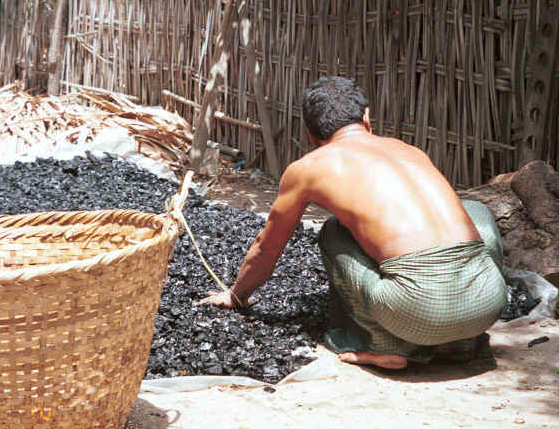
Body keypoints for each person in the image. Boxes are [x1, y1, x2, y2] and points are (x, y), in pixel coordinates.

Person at [203, 76, 507, 369]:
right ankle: (463, 341)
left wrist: (236, 295)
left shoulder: (308, 167)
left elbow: (267, 249)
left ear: (310, 135)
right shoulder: (409, 150)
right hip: (489, 302)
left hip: (415, 313)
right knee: (475, 210)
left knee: (334, 230)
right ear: (367, 118)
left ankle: (381, 345)